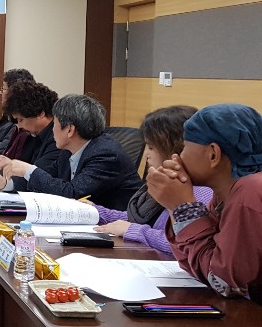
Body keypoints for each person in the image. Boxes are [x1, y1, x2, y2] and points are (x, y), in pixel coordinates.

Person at [148, 103, 262, 300]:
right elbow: (197, 263)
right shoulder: (223, 194)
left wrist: (183, 208)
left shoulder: (250, 190)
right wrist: (175, 207)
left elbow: (223, 282)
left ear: (213, 154)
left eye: (184, 147)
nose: (178, 157)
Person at [90, 106, 213, 257]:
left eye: (151, 147)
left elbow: (183, 245)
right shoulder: (168, 182)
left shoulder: (201, 193)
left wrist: (134, 231)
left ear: (176, 148)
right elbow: (137, 221)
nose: (146, 154)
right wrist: (95, 212)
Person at [0, 93, 142, 210]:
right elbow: (49, 181)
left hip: (118, 232)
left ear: (70, 130)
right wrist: (6, 184)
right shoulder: (69, 150)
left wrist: (29, 170)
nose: (52, 129)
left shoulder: (105, 154)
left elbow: (72, 193)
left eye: (55, 124)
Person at [0, 81, 61, 192]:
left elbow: (39, 175)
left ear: (40, 114)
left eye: (21, 119)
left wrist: (11, 165)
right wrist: (3, 170)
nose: (20, 125)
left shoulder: (58, 139)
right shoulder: (32, 134)